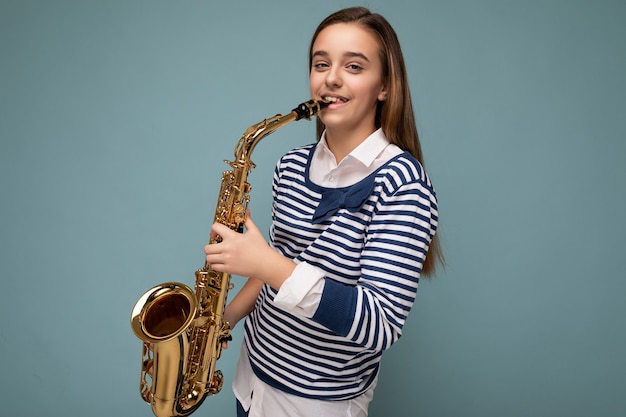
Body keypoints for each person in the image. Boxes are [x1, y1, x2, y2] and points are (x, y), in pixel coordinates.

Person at [204, 6, 443, 417]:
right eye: (321, 63)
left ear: (384, 86)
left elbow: (378, 325)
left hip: (314, 404)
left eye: (354, 66)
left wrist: (266, 262)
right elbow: (273, 270)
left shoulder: (404, 184)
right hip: (251, 381)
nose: (331, 78)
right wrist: (217, 323)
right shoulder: (291, 165)